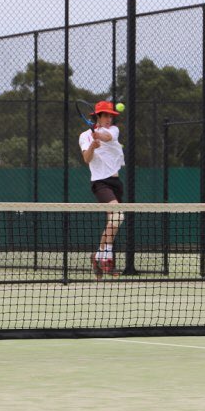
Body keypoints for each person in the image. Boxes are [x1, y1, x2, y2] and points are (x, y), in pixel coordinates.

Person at [79, 101, 125, 279]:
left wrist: (97, 133)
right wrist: (92, 145)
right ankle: (106, 259)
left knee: (112, 222)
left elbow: (105, 137)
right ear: (97, 117)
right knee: (118, 215)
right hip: (100, 182)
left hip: (116, 182)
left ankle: (99, 257)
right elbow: (86, 158)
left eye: (110, 115)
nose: (108, 118)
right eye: (104, 115)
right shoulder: (84, 136)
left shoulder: (113, 130)